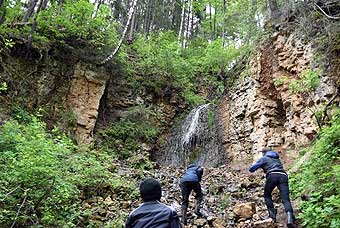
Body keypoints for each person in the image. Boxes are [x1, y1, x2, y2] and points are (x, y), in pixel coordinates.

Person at [249, 147, 295, 228]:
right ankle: (290, 219)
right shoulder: (277, 159)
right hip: (283, 175)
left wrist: (254, 165)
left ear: (264, 153)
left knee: (267, 195)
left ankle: (272, 216)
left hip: (272, 175)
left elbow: (252, 169)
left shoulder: (264, 158)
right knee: (285, 198)